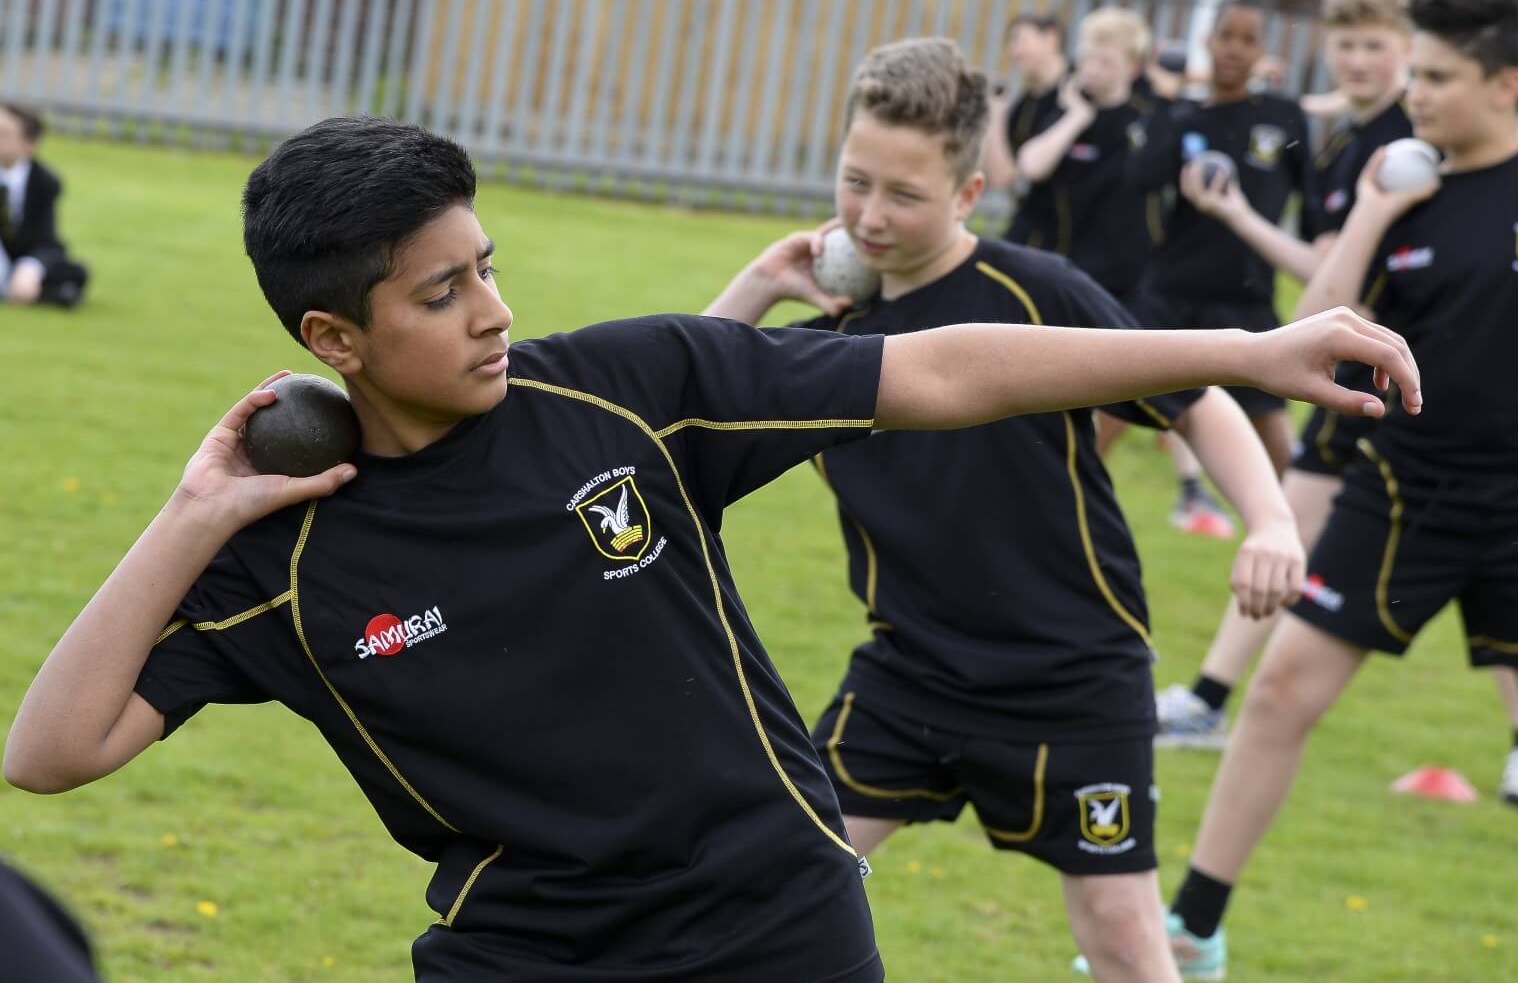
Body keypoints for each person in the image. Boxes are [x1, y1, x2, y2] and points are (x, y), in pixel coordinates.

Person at [3, 116, 1418, 982]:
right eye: (444, 292)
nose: (493, 307)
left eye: (488, 265)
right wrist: (192, 510)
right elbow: (51, 749)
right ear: (333, 339)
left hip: (779, 924)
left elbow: (931, 371)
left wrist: (1249, 349)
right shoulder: (288, 550)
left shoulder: (625, 385)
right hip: (527, 954)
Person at [706, 36, 1307, 983]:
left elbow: (1200, 392)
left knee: (1122, 934)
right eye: (854, 181)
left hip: (1073, 678)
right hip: (909, 670)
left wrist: (1272, 520)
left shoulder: (1038, 292)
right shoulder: (827, 339)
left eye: (903, 195)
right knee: (779, 880)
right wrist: (757, 286)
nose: (868, 217)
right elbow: (672, 409)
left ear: (969, 193)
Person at [1165, 0, 1518, 980]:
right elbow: (1311, 320)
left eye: (1439, 77)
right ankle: (1192, 928)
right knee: (1277, 691)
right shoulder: (1401, 187)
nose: (1416, 94)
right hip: (1405, 490)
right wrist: (1370, 212)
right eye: (1415, 72)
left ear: (1508, 84)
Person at [1126, 0, 1325, 535]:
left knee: (1277, 442)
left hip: (1246, 299)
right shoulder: (1186, 116)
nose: (1235, 49)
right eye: (1226, 36)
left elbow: (1312, 204)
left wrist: (1324, 251)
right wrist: (1170, 109)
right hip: (1170, 293)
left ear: (1261, 51)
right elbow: (1141, 179)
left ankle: (1301, 550)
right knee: (1106, 406)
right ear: (1208, 43)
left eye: (1247, 39)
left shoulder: (1281, 117)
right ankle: (1052, 513)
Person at [1010, 7, 1158, 303]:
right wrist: (1076, 117)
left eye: (1105, 61)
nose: (1091, 68)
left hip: (1122, 272)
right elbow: (1030, 166)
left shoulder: (1146, 117)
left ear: (1131, 68)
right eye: (1087, 56)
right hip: (1062, 260)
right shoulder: (1065, 106)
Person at [983, 14, 1072, 251]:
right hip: (1033, 227)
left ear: (1052, 38)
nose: (1014, 52)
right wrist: (996, 115)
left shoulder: (1081, 95)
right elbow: (1002, 177)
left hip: (1082, 235)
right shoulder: (1023, 107)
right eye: (1010, 44)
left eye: (1020, 41)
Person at [0, 103, 88, 308]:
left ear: (30, 144)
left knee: (75, 272)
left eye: (5, 134)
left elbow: (47, 239)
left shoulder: (44, 183)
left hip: (21, 253)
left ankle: (23, 287)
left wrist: (30, 268)